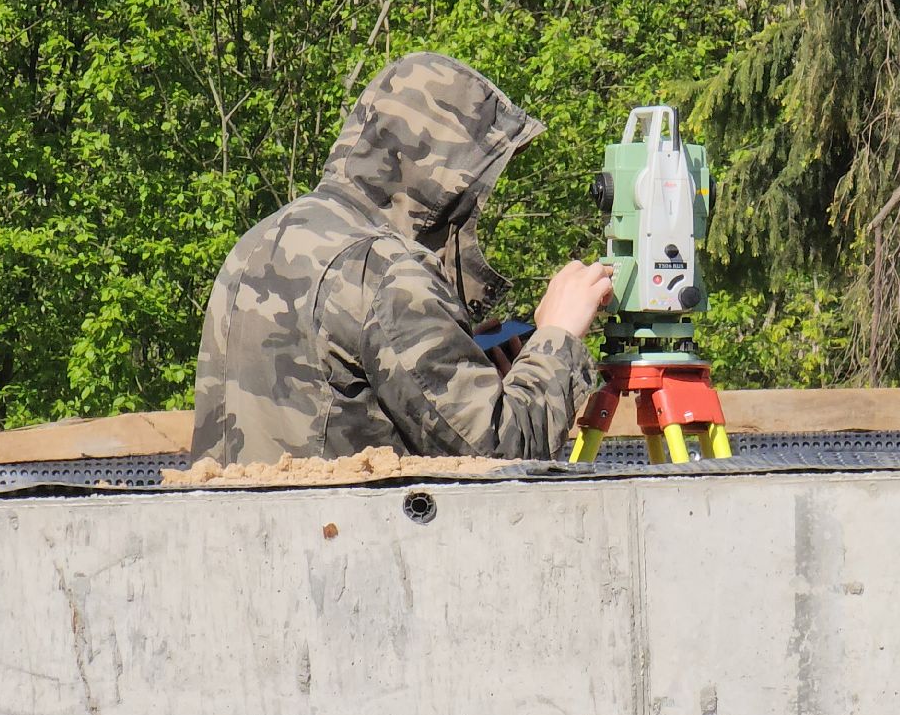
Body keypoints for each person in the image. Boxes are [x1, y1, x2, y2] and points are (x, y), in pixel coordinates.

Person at [190, 53, 612, 463]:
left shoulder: (261, 240)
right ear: (444, 175)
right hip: (343, 532)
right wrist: (557, 337)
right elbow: (502, 456)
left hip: (243, 528)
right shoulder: (388, 271)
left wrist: (457, 356)